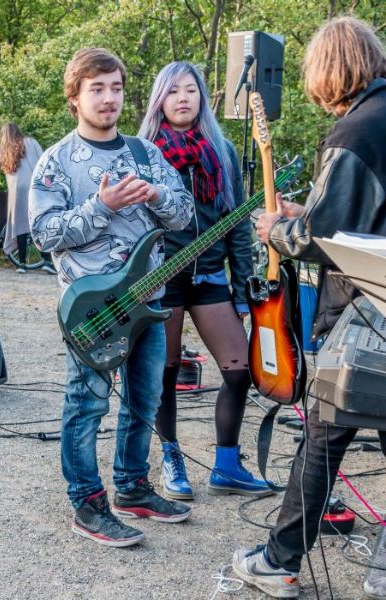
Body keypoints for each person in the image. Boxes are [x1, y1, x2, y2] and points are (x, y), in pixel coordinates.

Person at [232, 16, 386, 598]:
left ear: (328, 72)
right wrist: (309, 214)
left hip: (368, 315)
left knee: (323, 435)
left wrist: (278, 229)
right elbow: (362, 216)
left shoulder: (357, 131)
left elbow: (324, 236)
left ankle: (278, 561)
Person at [29, 48, 195, 547]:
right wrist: (100, 206)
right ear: (74, 98)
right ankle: (87, 503)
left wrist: (157, 196)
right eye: (97, 89)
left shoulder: (146, 154)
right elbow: (43, 234)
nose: (108, 98)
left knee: (144, 399)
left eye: (116, 88)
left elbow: (184, 215)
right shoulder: (56, 162)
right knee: (87, 404)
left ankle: (132, 487)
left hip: (148, 303)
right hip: (92, 311)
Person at [139, 61, 272, 500]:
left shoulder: (222, 150)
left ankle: (227, 466)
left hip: (211, 275)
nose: (183, 98)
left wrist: (242, 289)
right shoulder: (143, 152)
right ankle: (171, 458)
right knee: (165, 373)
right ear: (160, 98)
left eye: (191, 90)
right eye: (173, 90)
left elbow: (237, 225)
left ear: (202, 97)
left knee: (239, 370)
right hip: (164, 279)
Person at [0, 123, 55, 274]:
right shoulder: (31, 142)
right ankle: (47, 261)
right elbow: (44, 163)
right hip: (34, 189)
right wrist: (49, 184)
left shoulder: (4, 150)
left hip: (16, 193)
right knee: (36, 223)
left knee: (20, 227)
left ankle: (22, 265)